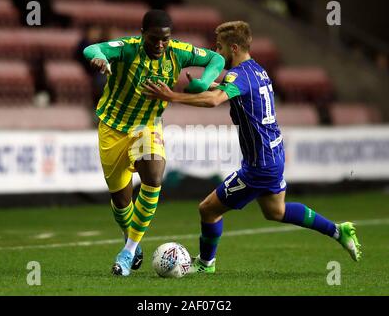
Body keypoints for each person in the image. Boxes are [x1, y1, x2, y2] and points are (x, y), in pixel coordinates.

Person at [144, 21, 362, 274]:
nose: (217, 53)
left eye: (220, 47)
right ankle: (338, 230)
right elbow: (235, 93)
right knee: (276, 211)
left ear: (234, 47)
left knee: (208, 209)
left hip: (260, 164)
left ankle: (205, 265)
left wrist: (172, 96)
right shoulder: (258, 70)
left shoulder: (239, 75)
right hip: (273, 153)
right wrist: (211, 86)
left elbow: (215, 101)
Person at [83, 9, 225, 276]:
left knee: (154, 176)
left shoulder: (179, 53)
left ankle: (127, 253)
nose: (160, 44)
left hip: (145, 127)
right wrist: (100, 60)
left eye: (165, 39)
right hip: (112, 128)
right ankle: (130, 240)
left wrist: (204, 82)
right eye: (154, 39)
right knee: (121, 200)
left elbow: (216, 58)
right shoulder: (127, 49)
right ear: (142, 34)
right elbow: (93, 48)